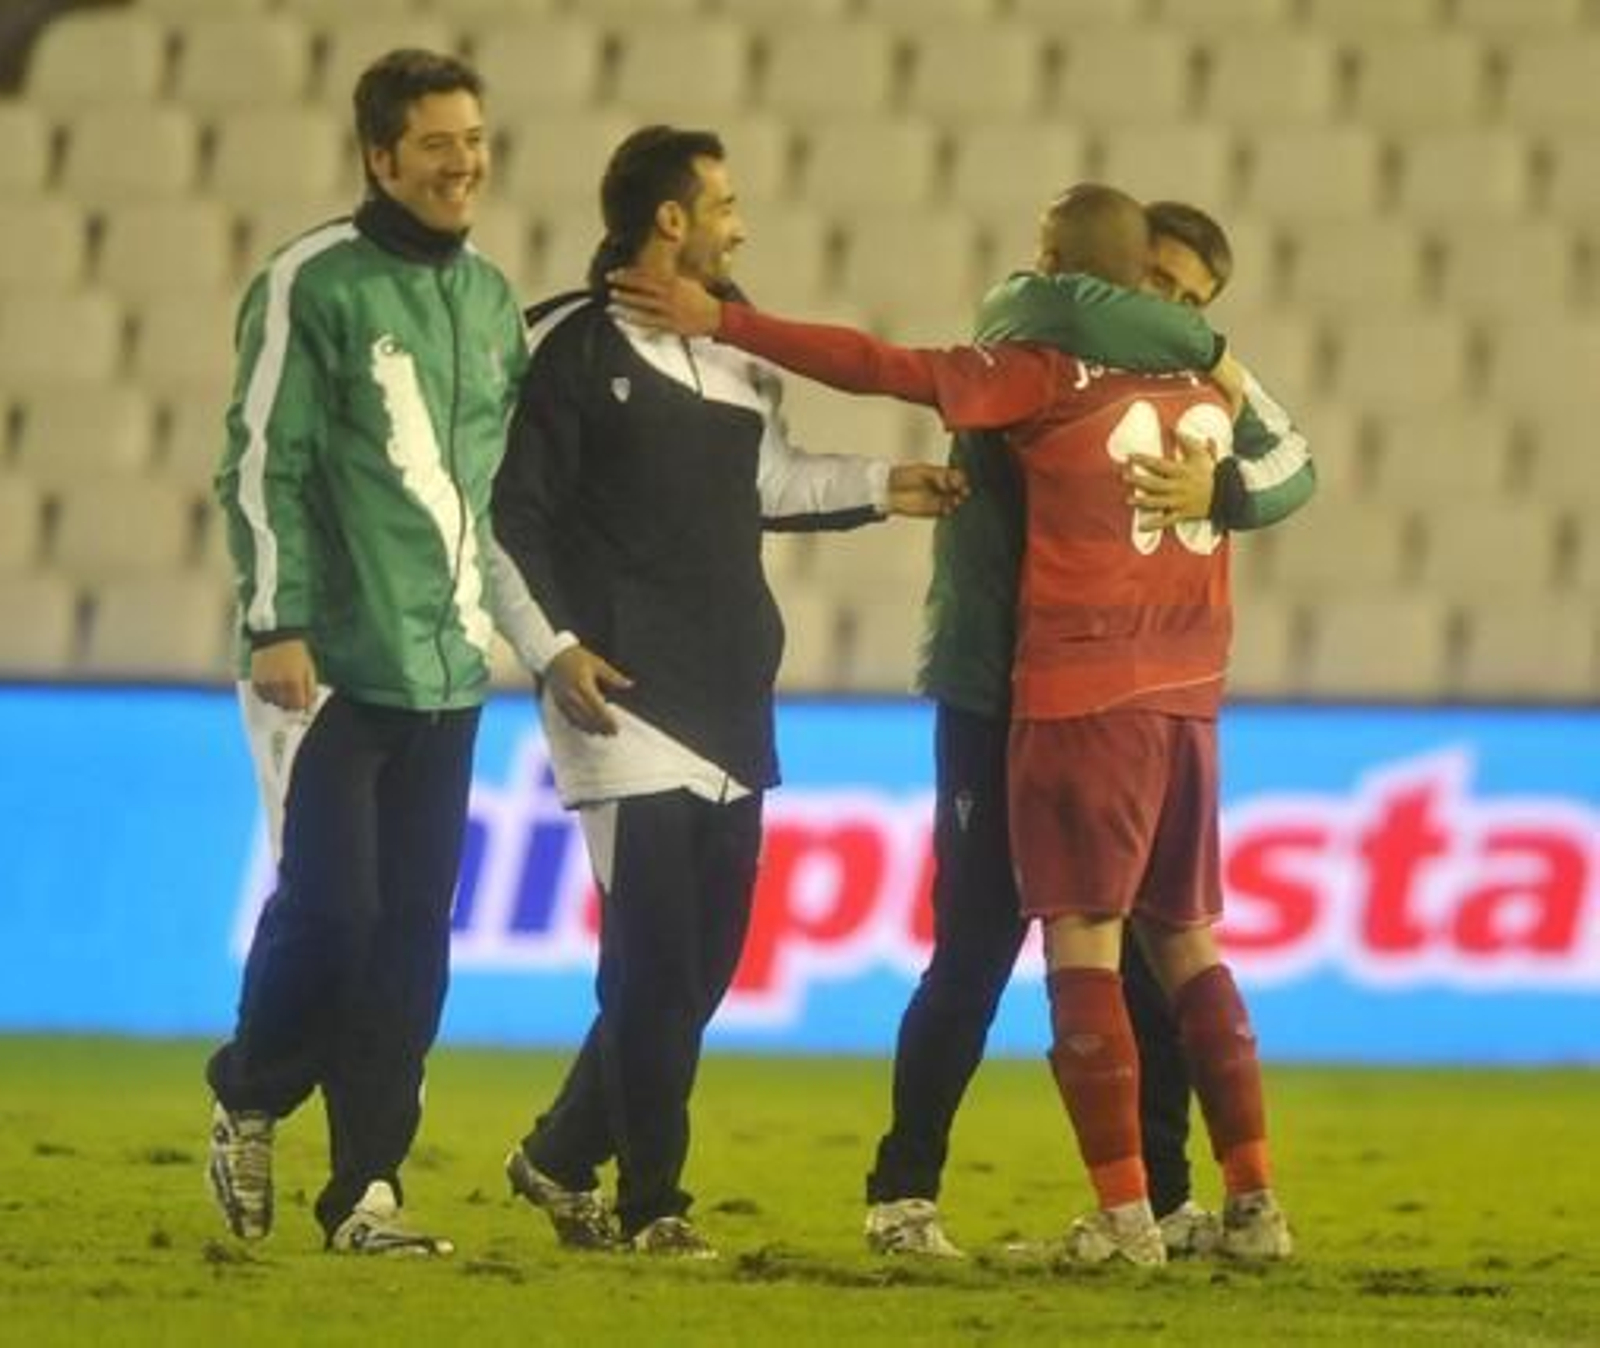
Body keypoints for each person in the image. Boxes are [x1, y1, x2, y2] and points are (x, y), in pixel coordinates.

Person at [609, 184, 1298, 1266]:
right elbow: (1294, 458)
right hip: (1027, 687)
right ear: (1130, 273)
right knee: (993, 951)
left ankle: (1146, 1207)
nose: (1163, 306)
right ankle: (910, 1187)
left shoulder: (1055, 370)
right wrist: (1223, 462)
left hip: (1075, 689)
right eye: (1157, 283)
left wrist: (729, 321)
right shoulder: (1139, 374)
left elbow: (883, 364)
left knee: (1122, 961)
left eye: (1188, 299)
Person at [489, 125, 967, 1259]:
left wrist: (879, 485)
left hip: (731, 696)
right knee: (652, 968)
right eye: (725, 202)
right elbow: (509, 516)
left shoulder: (737, 350)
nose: (739, 223)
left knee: (697, 973)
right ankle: (655, 1204)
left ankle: (558, 1156)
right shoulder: (567, 347)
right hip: (622, 696)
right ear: (671, 219)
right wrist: (552, 647)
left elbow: (770, 481)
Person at [206, 49, 548, 1256]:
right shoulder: (312, 280)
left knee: (412, 938)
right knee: (334, 911)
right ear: (381, 156)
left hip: (449, 670)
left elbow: (490, 494)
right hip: (333, 662)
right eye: (438, 142)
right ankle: (249, 1094)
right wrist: (275, 621)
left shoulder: (493, 299)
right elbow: (262, 462)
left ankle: (365, 1190)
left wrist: (527, 639)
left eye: (476, 137)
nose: (465, 161)